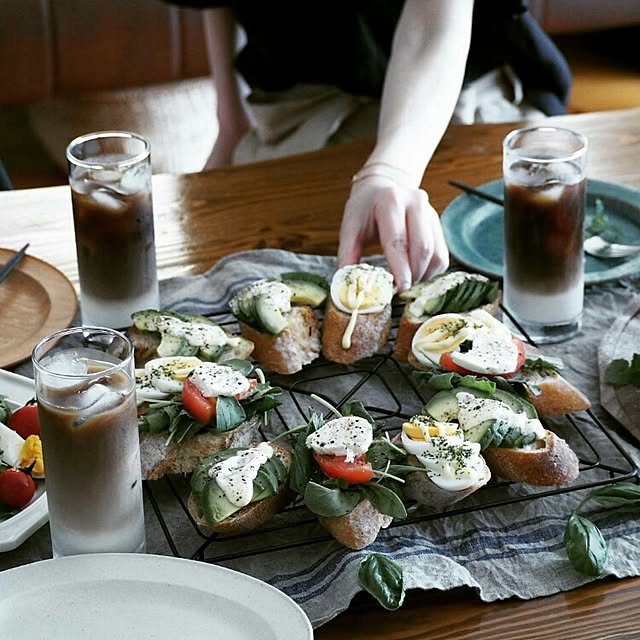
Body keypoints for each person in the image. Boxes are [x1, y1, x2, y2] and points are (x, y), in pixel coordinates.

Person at [165, 0, 571, 292]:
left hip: (456, 91)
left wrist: (390, 171)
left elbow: (434, 23)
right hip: (305, 105)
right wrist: (230, 120)